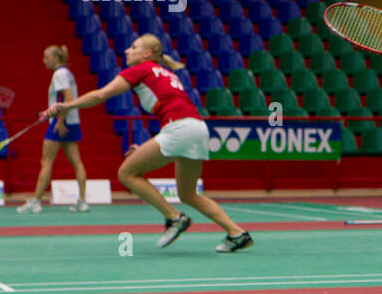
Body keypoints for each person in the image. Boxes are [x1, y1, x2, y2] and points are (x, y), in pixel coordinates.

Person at [42, 34, 252, 252]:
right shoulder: (166, 73)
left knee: (126, 173)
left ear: (146, 54)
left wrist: (66, 106)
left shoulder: (141, 70)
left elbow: (101, 95)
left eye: (133, 47)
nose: (127, 51)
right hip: (197, 128)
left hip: (179, 128)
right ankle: (237, 233)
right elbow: (173, 113)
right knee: (188, 193)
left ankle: (174, 218)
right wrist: (146, 148)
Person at [16, 45, 93, 213]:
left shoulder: (59, 74)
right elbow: (63, 101)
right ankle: (82, 201)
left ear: (55, 59)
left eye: (45, 57)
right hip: (72, 121)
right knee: (77, 162)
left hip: (61, 122)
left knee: (46, 161)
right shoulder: (67, 73)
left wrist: (60, 121)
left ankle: (35, 201)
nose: (44, 60)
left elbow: (69, 99)